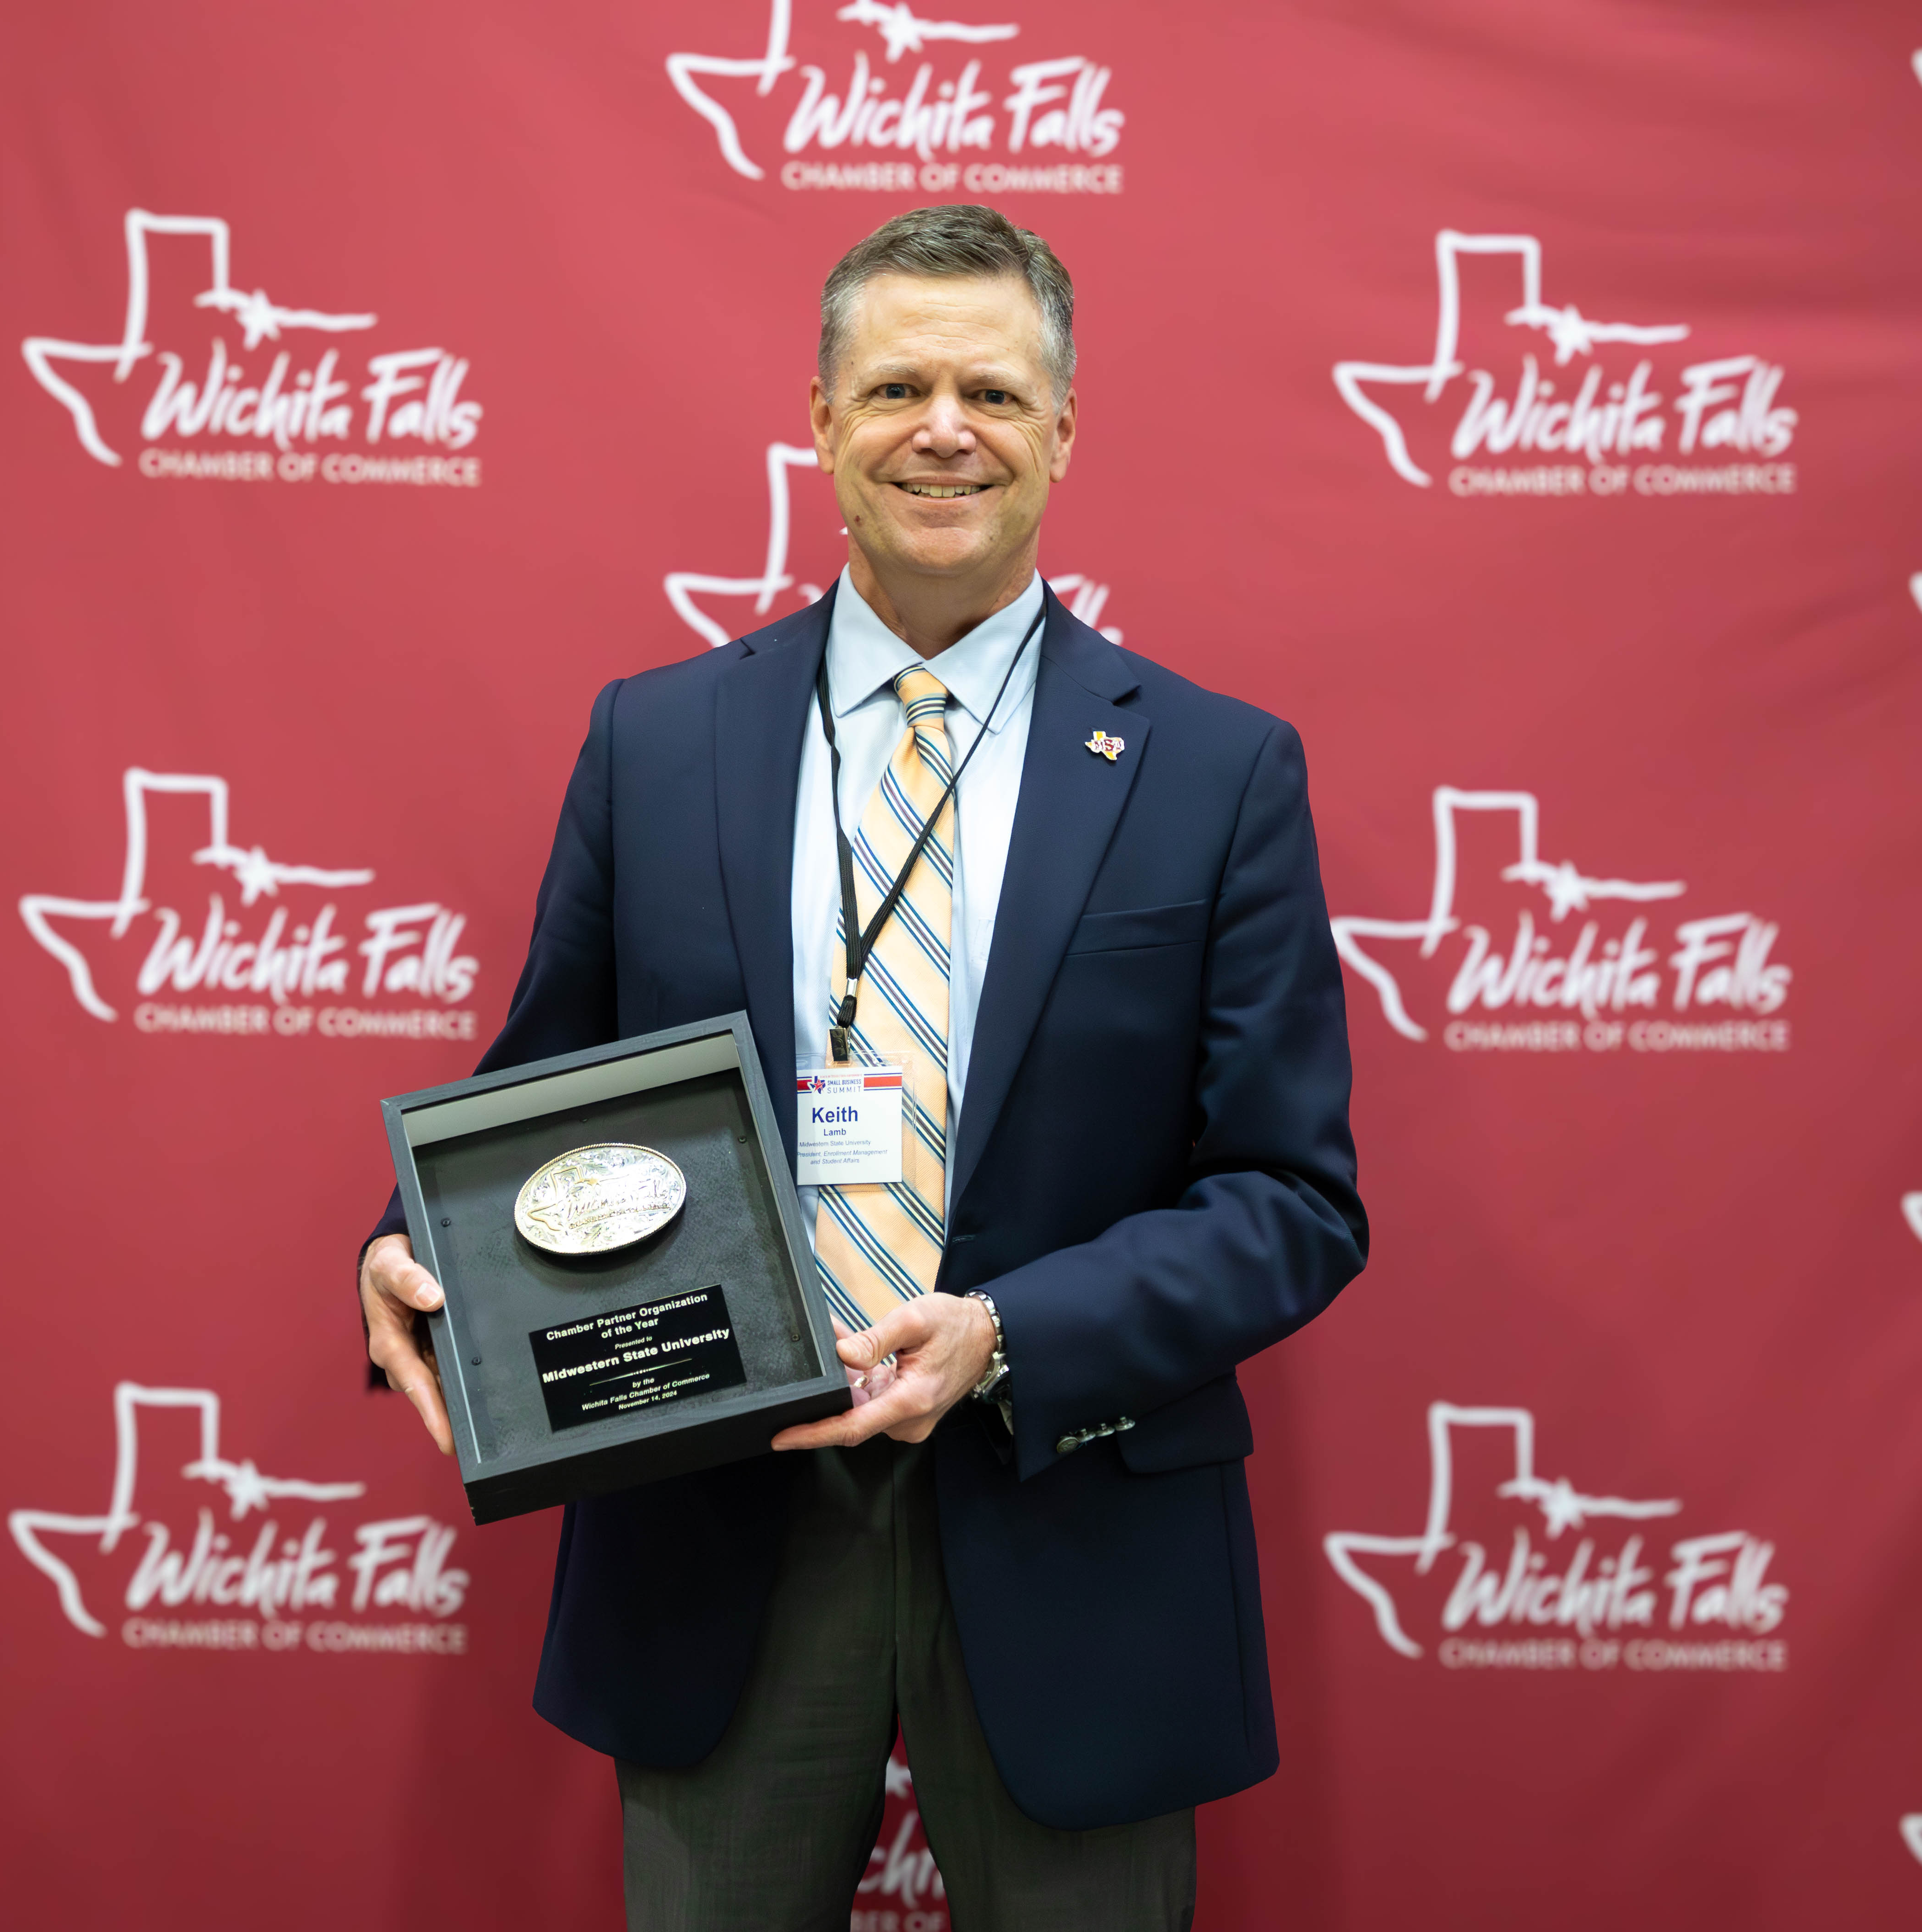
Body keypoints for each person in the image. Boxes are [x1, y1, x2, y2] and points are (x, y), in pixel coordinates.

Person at [358, 203, 1367, 1932]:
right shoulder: (654, 742)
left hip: (1072, 1518)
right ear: (819, 422)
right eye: (894, 383)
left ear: (1062, 432)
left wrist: (1005, 1335)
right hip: (716, 1528)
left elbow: (1289, 1200)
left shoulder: (1215, 770)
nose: (942, 427)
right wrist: (411, 1242)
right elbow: (538, 1097)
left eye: (991, 388)